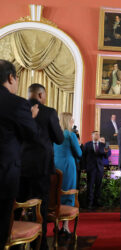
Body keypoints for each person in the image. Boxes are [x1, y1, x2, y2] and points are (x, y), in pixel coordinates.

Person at [18, 83, 64, 250]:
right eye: (44, 96)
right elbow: (59, 139)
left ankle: (15, 243)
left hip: (19, 166)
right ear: (40, 95)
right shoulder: (49, 112)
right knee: (40, 206)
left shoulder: (18, 109)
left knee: (17, 206)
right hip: (41, 167)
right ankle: (40, 243)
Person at [0, 60, 39, 249]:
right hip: (4, 174)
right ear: (10, 78)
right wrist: (30, 118)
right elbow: (31, 135)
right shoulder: (16, 103)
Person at [54, 112, 82, 235]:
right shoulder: (71, 135)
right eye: (72, 120)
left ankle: (56, 223)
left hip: (55, 166)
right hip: (68, 166)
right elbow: (79, 153)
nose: (73, 122)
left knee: (56, 193)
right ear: (68, 121)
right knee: (69, 193)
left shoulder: (54, 135)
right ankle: (65, 226)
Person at [83, 131, 108, 209]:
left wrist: (106, 150)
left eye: (99, 134)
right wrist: (84, 167)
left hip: (99, 168)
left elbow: (106, 156)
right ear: (92, 135)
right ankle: (89, 203)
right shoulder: (87, 144)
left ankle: (96, 202)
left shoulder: (102, 145)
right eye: (96, 134)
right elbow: (83, 156)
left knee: (98, 186)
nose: (98, 135)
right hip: (90, 168)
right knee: (90, 186)